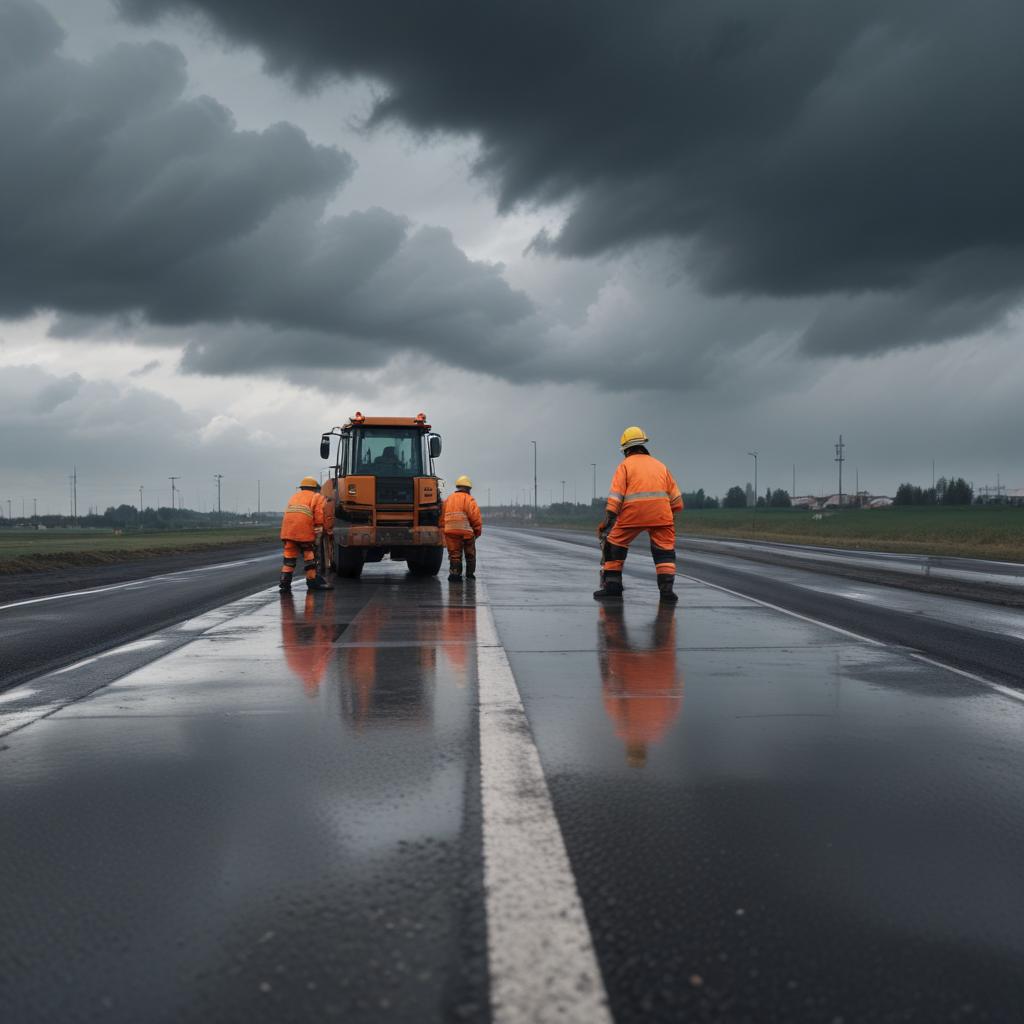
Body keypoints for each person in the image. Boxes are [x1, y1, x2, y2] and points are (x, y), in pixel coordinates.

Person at [594, 427, 683, 603]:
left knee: (614, 545)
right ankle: (667, 592)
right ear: (643, 446)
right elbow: (677, 502)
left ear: (626, 450)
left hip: (632, 515)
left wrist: (607, 522)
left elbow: (615, 499)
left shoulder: (625, 466)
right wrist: (666, 516)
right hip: (661, 515)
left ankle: (613, 588)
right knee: (664, 552)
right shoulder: (661, 466)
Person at [279, 476, 333, 592]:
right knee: (309, 556)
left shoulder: (294, 497)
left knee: (289, 557)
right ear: (315, 488)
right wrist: (318, 537)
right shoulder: (316, 497)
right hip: (303, 532)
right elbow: (319, 516)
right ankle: (312, 582)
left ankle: (284, 583)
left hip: (288, 532)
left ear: (302, 487)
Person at [442, 475, 483, 581]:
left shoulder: (449, 499)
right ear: (468, 488)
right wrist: (477, 532)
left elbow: (442, 516)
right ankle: (470, 575)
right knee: (470, 554)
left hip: (451, 532)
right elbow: (475, 518)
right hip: (466, 532)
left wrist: (443, 530)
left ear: (458, 487)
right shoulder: (469, 500)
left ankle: (455, 574)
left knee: (454, 554)